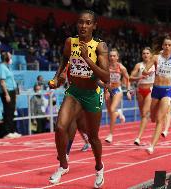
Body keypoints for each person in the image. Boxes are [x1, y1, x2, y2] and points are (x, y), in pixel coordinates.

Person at [47, 10, 109, 188]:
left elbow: (106, 77)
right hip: (74, 92)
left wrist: (87, 59)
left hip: (92, 94)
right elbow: (64, 60)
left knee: (94, 137)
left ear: (94, 26)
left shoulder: (100, 46)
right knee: (60, 127)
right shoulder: (70, 42)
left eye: (88, 23)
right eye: (81, 22)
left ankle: (99, 167)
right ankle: (63, 166)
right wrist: (57, 77)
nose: (83, 26)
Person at [143, 36, 171, 154]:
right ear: (162, 46)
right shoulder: (156, 57)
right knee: (152, 117)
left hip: (167, 90)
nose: (167, 47)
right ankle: (154, 135)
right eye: (165, 45)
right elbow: (145, 70)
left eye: (169, 45)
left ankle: (152, 145)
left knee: (159, 119)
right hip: (156, 90)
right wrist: (147, 72)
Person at [104, 48, 131, 143]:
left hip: (117, 90)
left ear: (117, 57)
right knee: (110, 113)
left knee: (112, 110)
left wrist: (128, 91)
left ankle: (110, 135)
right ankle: (118, 112)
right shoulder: (105, 67)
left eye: (114, 56)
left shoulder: (121, 67)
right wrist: (105, 90)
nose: (112, 57)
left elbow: (127, 79)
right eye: (110, 56)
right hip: (108, 90)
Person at [129, 47, 155, 145]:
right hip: (140, 90)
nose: (145, 55)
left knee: (144, 113)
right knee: (142, 115)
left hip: (150, 90)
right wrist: (140, 77)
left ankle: (138, 137)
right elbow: (130, 78)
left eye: (147, 53)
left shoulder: (155, 65)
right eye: (143, 53)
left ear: (151, 55)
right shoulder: (138, 65)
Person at [0, 52, 21, 139]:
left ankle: (12, 130)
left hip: (12, 91)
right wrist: (6, 94)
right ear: (6, 58)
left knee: (11, 112)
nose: (11, 59)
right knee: (7, 112)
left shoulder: (7, 67)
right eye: (10, 57)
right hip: (7, 92)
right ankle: (7, 132)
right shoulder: (1, 68)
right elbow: (2, 82)